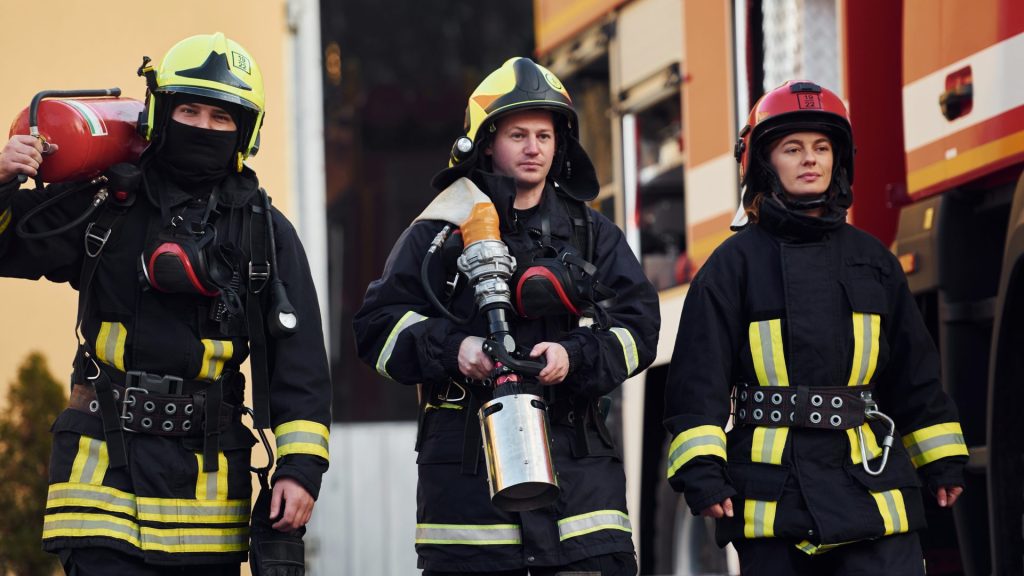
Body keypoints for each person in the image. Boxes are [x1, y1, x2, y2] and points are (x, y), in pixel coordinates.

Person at [0, 33, 331, 575]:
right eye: (189, 110)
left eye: (221, 118)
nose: (202, 127)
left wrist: (299, 468)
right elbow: (9, 243)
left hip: (207, 492)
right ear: (160, 114)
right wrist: (2, 181)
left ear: (244, 132)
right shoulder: (105, 203)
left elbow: (301, 363)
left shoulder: (264, 234)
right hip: (100, 482)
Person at [353, 57, 659, 575]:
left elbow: (640, 327)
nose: (534, 147)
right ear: (487, 141)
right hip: (470, 511)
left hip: (582, 507)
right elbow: (376, 328)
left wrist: (574, 354)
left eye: (545, 134)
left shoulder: (592, 234)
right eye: (518, 133)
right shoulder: (437, 233)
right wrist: (456, 350)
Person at [663, 80, 969, 574]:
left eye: (822, 148)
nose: (810, 159)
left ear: (838, 160)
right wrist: (701, 471)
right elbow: (698, 382)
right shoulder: (730, 268)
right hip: (774, 503)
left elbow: (915, 374)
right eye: (793, 148)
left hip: (871, 492)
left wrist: (941, 459)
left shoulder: (875, 261)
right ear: (764, 165)